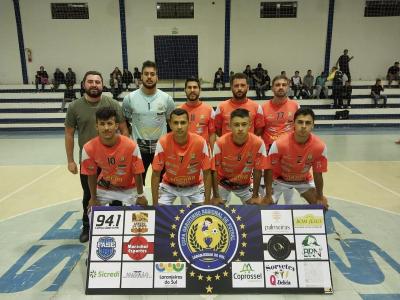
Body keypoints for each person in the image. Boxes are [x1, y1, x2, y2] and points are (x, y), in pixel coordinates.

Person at [64, 70, 129, 243]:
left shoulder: (112, 103)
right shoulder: (74, 107)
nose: (94, 85)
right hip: (88, 161)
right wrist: (70, 160)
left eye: (97, 82)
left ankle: (118, 227)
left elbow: (123, 129)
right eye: (90, 82)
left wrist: (125, 155)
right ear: (84, 84)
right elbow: (69, 134)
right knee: (89, 195)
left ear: (103, 85)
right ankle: (88, 227)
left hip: (112, 161)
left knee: (116, 194)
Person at [81, 107, 147, 211]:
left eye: (109, 123)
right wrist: (93, 198)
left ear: (116, 126)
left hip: (130, 188)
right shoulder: (88, 148)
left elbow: (137, 172)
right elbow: (91, 175)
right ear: (96, 126)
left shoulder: (131, 146)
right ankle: (87, 227)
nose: (106, 128)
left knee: (141, 215)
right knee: (91, 211)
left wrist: (140, 195)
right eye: (102, 124)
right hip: (105, 188)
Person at [263, 107, 329, 209]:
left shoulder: (320, 146)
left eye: (307, 123)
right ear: (293, 123)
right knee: (265, 206)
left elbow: (318, 174)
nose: (303, 126)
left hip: (303, 180)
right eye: (300, 122)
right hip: (279, 180)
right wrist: (267, 195)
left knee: (322, 206)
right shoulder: (280, 143)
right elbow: (269, 169)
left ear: (313, 125)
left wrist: (320, 196)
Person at [122, 60, 175, 185]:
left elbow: (171, 124)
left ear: (157, 77)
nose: (149, 77)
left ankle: (160, 205)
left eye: (152, 74)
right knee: (136, 186)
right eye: (146, 74)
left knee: (163, 186)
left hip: (160, 150)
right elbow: (124, 121)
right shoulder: (129, 99)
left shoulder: (167, 99)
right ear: (141, 76)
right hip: (138, 151)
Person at [151, 108, 212, 205]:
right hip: (169, 186)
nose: (179, 127)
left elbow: (207, 173)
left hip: (194, 187)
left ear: (189, 123)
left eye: (183, 122)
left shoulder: (200, 142)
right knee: (160, 215)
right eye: (175, 123)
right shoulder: (163, 142)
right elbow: (155, 173)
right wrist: (155, 204)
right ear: (170, 124)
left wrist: (208, 201)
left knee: (202, 213)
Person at [211, 108, 268, 205]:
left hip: (245, 184)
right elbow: (213, 170)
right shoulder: (220, 143)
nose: (240, 128)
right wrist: (216, 196)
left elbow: (258, 170)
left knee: (259, 205)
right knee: (213, 207)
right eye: (236, 125)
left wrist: (255, 196)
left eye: (244, 124)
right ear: (229, 126)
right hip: (222, 183)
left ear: (250, 125)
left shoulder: (258, 143)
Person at [260, 75, 299, 202]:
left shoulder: (295, 106)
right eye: (277, 85)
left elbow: (299, 129)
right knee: (269, 190)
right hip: (269, 152)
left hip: (289, 152)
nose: (280, 87)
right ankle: (271, 214)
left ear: (288, 87)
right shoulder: (263, 108)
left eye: (283, 85)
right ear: (272, 88)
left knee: (289, 184)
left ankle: (289, 208)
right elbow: (259, 132)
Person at [180, 77, 216, 148]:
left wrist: (213, 154)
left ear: (200, 90)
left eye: (195, 87)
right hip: (185, 154)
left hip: (203, 154)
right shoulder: (179, 110)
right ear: (185, 90)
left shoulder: (209, 110)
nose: (192, 90)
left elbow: (212, 134)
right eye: (189, 87)